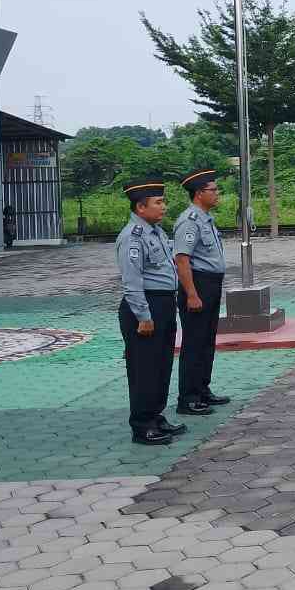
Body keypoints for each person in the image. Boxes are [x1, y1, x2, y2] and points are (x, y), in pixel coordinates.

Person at [115, 178, 183, 445]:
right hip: (144, 307)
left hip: (164, 303)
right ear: (141, 207)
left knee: (162, 365)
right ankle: (142, 425)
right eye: (159, 202)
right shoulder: (132, 237)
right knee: (144, 368)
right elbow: (131, 281)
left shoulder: (156, 232)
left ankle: (156, 415)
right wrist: (143, 316)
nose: (164, 206)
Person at [173, 169, 230, 417]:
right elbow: (182, 259)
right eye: (213, 190)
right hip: (197, 284)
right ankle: (188, 397)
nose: (217, 194)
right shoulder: (190, 221)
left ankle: (202, 389)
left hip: (211, 283)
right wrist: (192, 294)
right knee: (194, 342)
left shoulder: (206, 219)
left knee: (207, 340)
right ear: (199, 194)